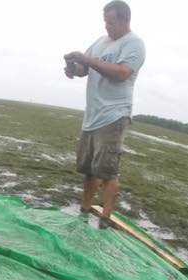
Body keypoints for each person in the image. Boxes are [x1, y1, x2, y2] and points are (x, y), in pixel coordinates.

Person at [64, 1, 145, 227]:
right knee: (90, 169)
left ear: (124, 20)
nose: (107, 26)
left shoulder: (134, 44)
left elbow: (122, 73)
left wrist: (87, 59)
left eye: (111, 22)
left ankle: (105, 218)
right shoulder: (100, 42)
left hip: (114, 115)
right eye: (105, 22)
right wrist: (74, 68)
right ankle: (85, 209)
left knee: (108, 170)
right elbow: (84, 69)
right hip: (93, 115)